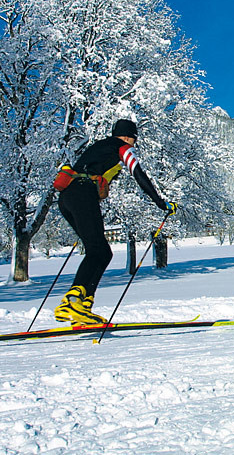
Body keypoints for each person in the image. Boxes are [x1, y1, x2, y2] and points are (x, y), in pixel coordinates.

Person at [54, 119, 177, 325]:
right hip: (83, 194)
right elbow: (138, 173)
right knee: (96, 250)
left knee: (102, 251)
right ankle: (72, 301)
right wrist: (161, 203)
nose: (133, 144)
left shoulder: (97, 147)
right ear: (130, 137)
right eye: (134, 140)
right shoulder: (122, 147)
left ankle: (82, 308)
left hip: (67, 198)